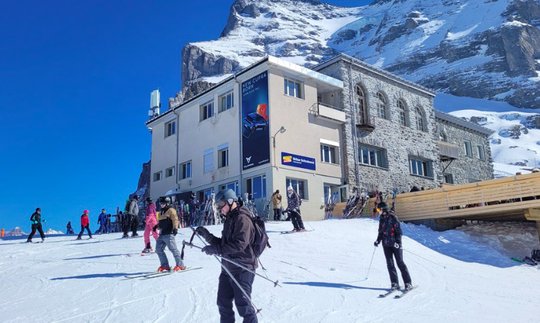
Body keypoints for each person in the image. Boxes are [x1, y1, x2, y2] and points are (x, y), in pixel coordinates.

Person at [195, 189, 258, 323]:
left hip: (243, 268)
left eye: (221, 204)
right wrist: (207, 236)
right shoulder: (230, 218)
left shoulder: (243, 219)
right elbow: (224, 244)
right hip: (228, 267)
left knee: (244, 307)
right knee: (223, 303)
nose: (219, 208)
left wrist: (216, 249)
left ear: (230, 201)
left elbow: (239, 245)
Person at [374, 202, 412, 291]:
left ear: (383, 209)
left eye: (379, 209)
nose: (378, 211)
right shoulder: (382, 219)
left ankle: (408, 283)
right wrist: (378, 240)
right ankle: (394, 283)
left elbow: (399, 231)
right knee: (390, 264)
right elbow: (380, 231)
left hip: (395, 244)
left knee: (400, 263)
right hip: (386, 245)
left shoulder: (393, 217)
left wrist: (398, 242)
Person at [154, 196, 186, 272]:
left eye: (163, 203)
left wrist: (175, 228)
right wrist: (156, 226)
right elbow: (161, 222)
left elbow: (175, 219)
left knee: (173, 249)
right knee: (158, 249)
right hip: (162, 234)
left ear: (167, 203)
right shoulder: (160, 212)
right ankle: (165, 265)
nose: (161, 205)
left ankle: (180, 265)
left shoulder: (171, 210)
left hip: (169, 234)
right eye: (160, 203)